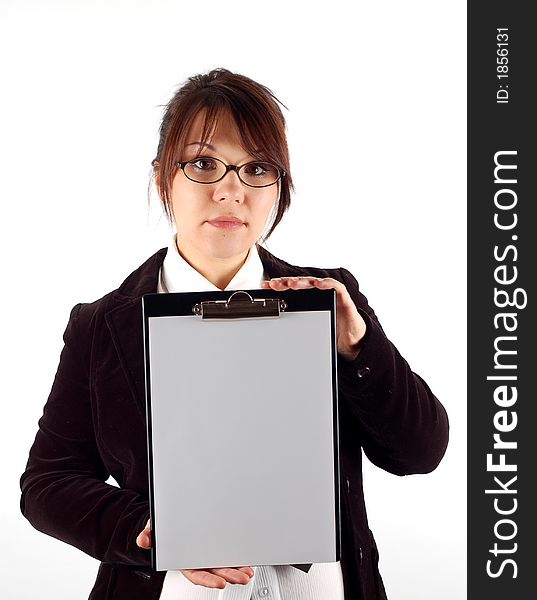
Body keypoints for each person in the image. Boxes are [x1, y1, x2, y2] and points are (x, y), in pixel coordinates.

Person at [20, 68, 449, 600]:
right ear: (162, 178)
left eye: (257, 168)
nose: (230, 190)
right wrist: (151, 529)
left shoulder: (332, 302)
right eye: (203, 163)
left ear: (279, 185)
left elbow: (421, 451)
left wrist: (359, 346)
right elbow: (47, 485)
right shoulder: (101, 326)